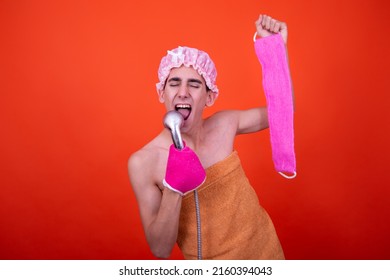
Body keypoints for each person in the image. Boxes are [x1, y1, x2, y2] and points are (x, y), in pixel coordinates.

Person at [128, 14, 293, 259]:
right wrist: (173, 189)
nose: (183, 92)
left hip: (268, 255)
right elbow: (160, 249)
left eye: (194, 84)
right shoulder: (143, 162)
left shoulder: (226, 123)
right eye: (174, 83)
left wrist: (275, 51)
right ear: (162, 93)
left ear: (209, 97)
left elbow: (281, 110)